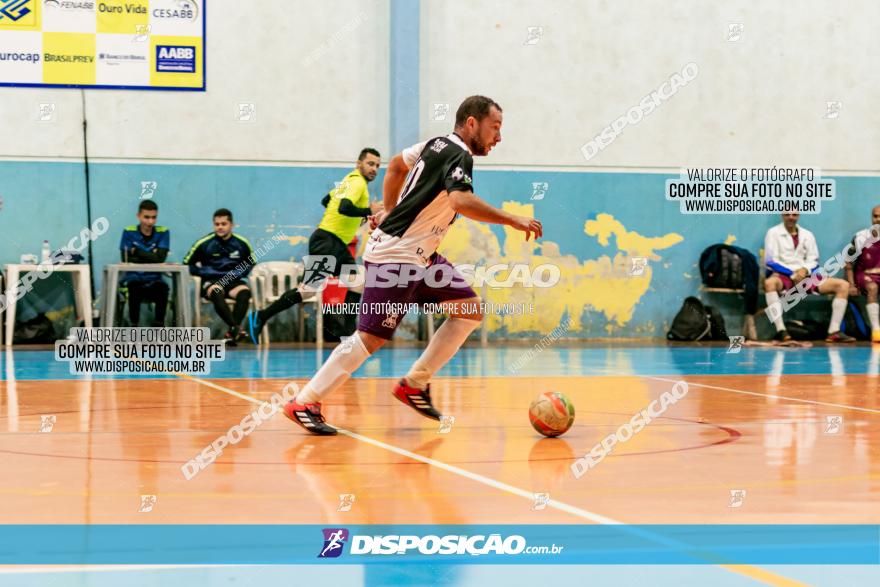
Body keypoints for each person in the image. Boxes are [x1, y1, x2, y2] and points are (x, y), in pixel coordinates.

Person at [282, 95, 543, 435]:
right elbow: (460, 199)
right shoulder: (459, 153)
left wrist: (390, 210)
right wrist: (511, 219)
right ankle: (305, 400)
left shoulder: (436, 144)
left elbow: (395, 165)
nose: (499, 137)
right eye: (495, 128)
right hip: (398, 254)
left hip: (420, 255)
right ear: (471, 123)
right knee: (370, 338)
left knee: (468, 309)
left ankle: (414, 384)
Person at [244, 148, 383, 343]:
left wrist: (350, 221)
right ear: (359, 164)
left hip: (329, 240)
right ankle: (350, 337)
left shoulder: (347, 181)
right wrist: (369, 210)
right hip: (329, 241)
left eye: (377, 165)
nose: (374, 168)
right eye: (370, 164)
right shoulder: (358, 183)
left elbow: (327, 201)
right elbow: (344, 207)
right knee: (351, 282)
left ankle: (262, 316)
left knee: (321, 288)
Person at [764, 212, 854, 343]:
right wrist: (792, 274)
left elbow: (814, 260)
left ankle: (834, 332)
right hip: (784, 275)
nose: (791, 217)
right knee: (769, 284)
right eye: (787, 214)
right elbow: (770, 261)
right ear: (782, 215)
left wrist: (804, 270)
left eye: (794, 214)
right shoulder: (772, 233)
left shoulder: (807, 234)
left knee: (843, 285)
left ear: (798, 216)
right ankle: (781, 331)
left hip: (805, 276)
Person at [183, 208, 255, 345]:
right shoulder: (204, 243)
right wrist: (204, 272)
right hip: (212, 281)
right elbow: (187, 264)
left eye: (224, 224)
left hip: (233, 281)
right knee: (216, 292)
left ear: (231, 225)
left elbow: (250, 264)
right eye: (217, 224)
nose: (220, 227)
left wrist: (236, 274)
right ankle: (236, 329)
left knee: (245, 293)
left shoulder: (242, 243)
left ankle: (232, 330)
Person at [119, 200, 170, 326]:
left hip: (154, 280)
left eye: (154, 217)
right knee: (134, 288)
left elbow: (160, 259)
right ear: (138, 216)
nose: (150, 222)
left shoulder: (163, 232)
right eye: (146, 217)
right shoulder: (128, 231)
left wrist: (136, 251)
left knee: (163, 289)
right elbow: (126, 259)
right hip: (134, 279)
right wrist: (152, 255)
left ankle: (159, 327)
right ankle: (134, 326)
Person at [845, 205, 880, 342]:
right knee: (873, 288)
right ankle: (876, 331)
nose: (878, 219)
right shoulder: (860, 237)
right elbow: (848, 263)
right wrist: (851, 284)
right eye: (875, 216)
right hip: (864, 276)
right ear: (871, 218)